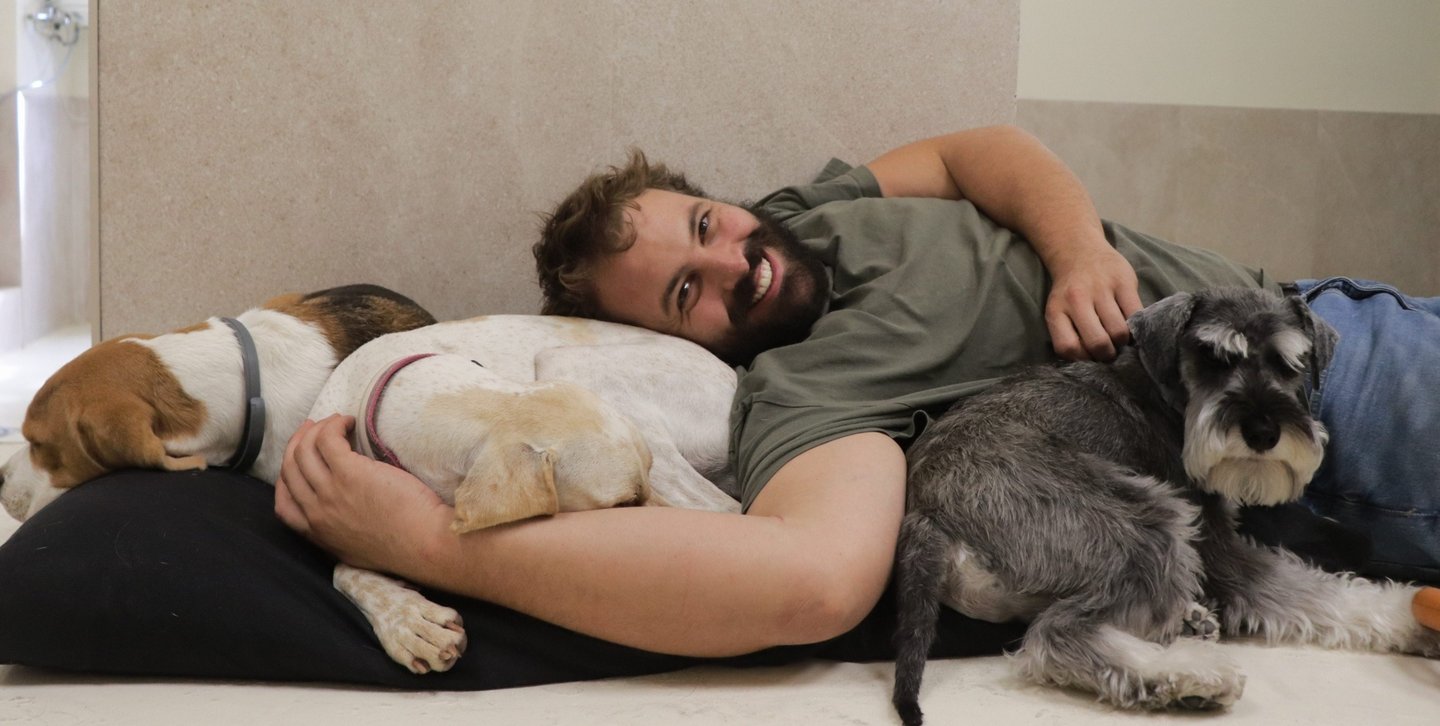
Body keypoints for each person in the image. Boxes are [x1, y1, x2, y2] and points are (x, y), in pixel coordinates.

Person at [272, 125, 1440, 665]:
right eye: (689, 292)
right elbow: (808, 583)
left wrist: (1079, 250)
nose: (735, 261)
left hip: (1332, 319)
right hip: (1311, 429)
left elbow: (983, 149)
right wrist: (430, 540)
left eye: (706, 224)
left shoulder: (814, 205)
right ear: (679, 345)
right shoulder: (798, 392)